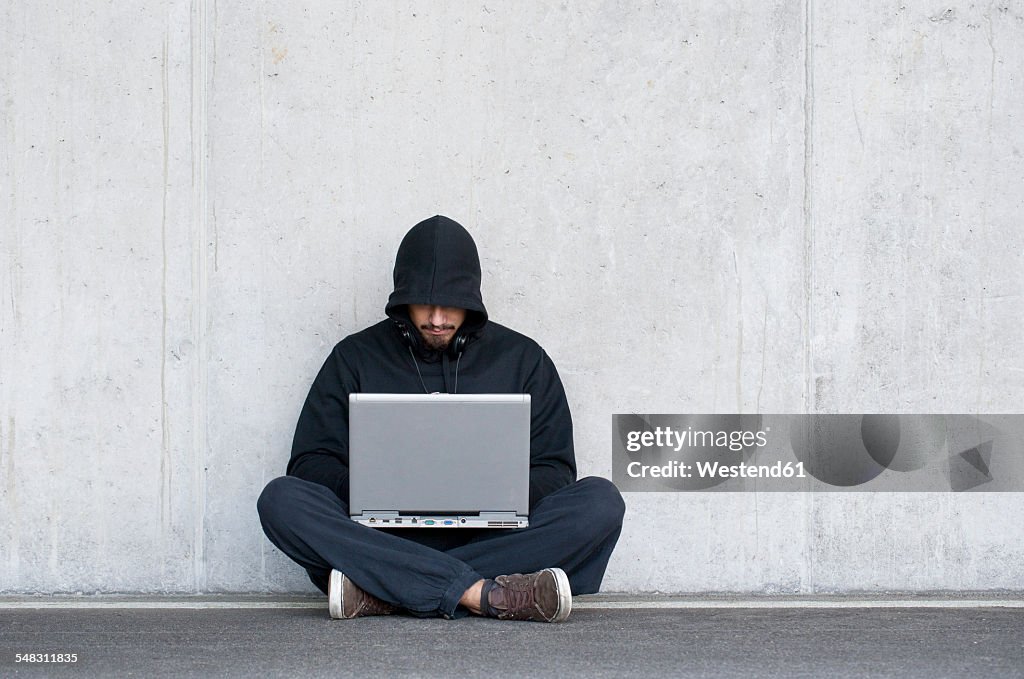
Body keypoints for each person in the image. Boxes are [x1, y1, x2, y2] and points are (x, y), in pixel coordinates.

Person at [257, 215, 625, 622]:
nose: (436, 318)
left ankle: (386, 590)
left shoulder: (524, 360)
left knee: (600, 503)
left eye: (451, 304)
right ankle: (484, 593)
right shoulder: (355, 357)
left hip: (491, 536)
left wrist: (488, 488)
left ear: (473, 299)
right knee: (281, 500)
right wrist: (378, 486)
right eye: (423, 304)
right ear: (401, 300)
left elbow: (556, 471)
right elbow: (310, 464)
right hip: (382, 536)